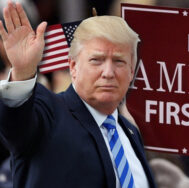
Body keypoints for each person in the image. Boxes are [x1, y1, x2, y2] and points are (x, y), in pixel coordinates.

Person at [0, 1, 155, 188]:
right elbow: (16, 125)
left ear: (131, 71)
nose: (108, 72)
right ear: (73, 66)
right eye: (96, 60)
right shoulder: (49, 112)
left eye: (119, 61)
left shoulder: (130, 132)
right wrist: (23, 72)